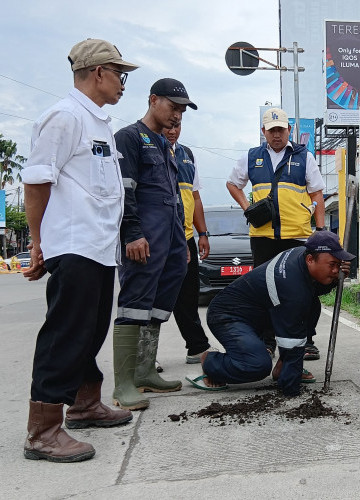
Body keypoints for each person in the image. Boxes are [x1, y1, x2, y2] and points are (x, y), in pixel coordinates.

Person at [21, 38, 138, 463]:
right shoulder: (65, 117)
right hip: (73, 243)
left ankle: (86, 404)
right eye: (120, 74)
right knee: (66, 333)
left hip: (98, 246)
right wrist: (37, 243)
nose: (123, 83)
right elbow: (36, 181)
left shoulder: (98, 122)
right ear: (99, 73)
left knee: (89, 331)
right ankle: (43, 430)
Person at [112, 78, 197, 410]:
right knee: (135, 302)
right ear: (152, 101)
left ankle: (146, 372)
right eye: (172, 107)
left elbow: (174, 196)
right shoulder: (130, 137)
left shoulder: (165, 145)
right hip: (144, 237)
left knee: (160, 302)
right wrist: (132, 233)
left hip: (171, 238)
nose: (177, 116)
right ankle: (123, 385)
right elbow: (124, 190)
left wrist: (181, 244)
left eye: (181, 111)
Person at [198, 231, 354, 397]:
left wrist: (336, 278)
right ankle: (211, 362)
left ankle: (282, 368)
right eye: (332, 265)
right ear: (310, 259)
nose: (336, 269)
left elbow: (314, 288)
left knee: (311, 304)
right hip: (227, 316)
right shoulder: (291, 286)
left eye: (339, 264)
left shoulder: (303, 254)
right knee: (257, 365)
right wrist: (291, 390)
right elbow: (293, 338)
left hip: (260, 313)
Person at [226, 107, 326, 361]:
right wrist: (248, 208)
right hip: (263, 238)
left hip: (298, 236)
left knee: (304, 291)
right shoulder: (252, 157)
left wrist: (321, 230)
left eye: (281, 129)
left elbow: (316, 193)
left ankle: (306, 341)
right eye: (271, 130)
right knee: (266, 292)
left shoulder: (305, 156)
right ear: (264, 132)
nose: (277, 134)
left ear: (289, 130)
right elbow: (232, 183)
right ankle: (268, 341)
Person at [164, 122, 215, 363]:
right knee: (152, 297)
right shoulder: (148, 149)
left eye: (177, 125)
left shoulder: (187, 155)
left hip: (185, 238)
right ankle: (145, 357)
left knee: (188, 295)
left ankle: (196, 347)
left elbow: (194, 197)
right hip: (159, 238)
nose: (172, 130)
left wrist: (202, 233)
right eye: (169, 125)